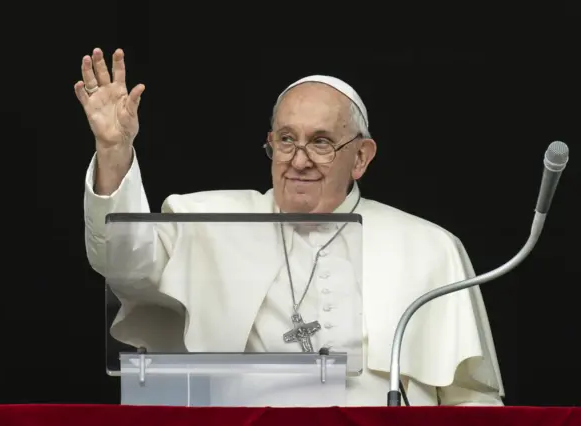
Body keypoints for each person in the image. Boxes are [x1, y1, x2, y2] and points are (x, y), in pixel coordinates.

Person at [77, 47, 505, 406]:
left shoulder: (428, 246)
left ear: (361, 157)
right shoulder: (207, 221)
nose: (298, 160)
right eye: (286, 140)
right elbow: (122, 264)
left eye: (320, 142)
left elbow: (471, 398)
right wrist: (114, 151)